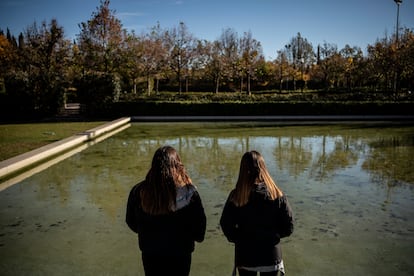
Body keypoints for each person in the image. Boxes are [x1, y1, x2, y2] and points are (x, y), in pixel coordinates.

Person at [126, 145, 206, 276]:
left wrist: (148, 233)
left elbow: (131, 222)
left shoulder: (138, 192)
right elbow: (200, 233)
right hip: (181, 257)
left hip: (150, 255)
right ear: (178, 166)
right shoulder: (189, 194)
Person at [220, 150, 294, 276]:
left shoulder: (236, 196)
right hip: (271, 255)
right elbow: (289, 227)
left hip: (245, 255)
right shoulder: (277, 195)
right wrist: (273, 235)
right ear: (263, 168)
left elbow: (225, 224)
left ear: (242, 170)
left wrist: (239, 239)